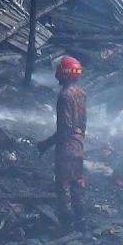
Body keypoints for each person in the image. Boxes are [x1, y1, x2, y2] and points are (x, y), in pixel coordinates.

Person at [37, 56, 87, 231]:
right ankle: (81, 221)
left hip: (66, 146)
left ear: (64, 73)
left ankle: (67, 225)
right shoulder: (81, 94)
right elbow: (83, 124)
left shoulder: (64, 96)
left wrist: (46, 143)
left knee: (63, 184)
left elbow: (64, 127)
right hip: (78, 144)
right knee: (77, 182)